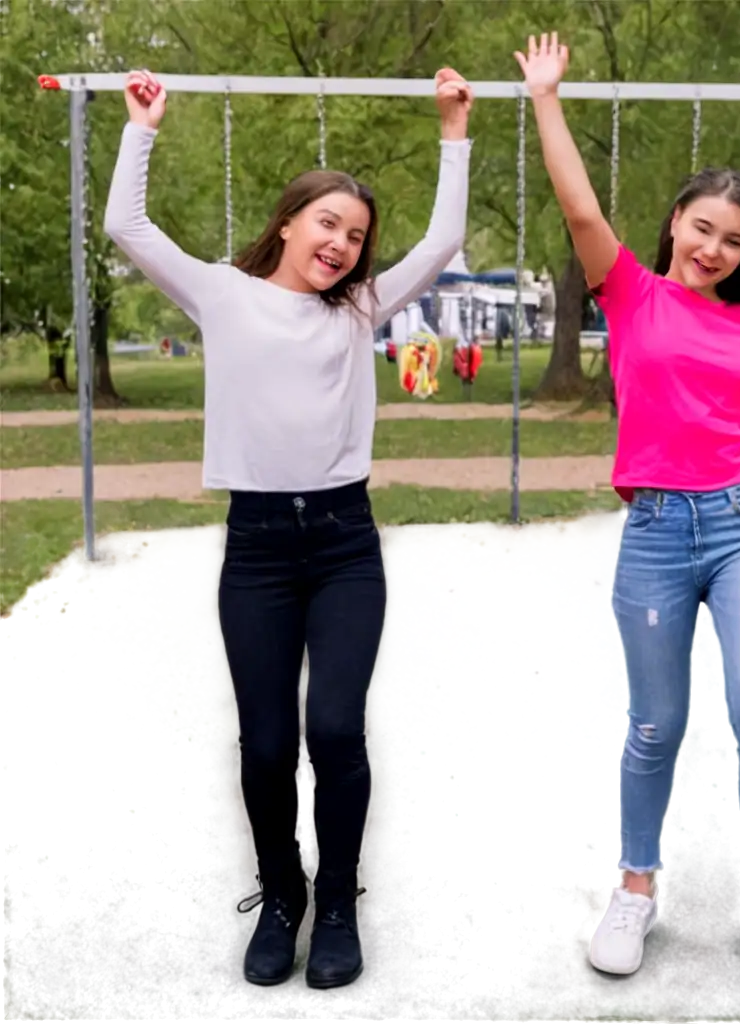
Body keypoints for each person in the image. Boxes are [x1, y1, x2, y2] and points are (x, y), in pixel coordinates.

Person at [514, 34, 740, 983]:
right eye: (704, 229)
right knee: (656, 726)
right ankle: (637, 886)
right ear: (676, 221)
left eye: (736, 241)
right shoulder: (629, 292)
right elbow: (578, 203)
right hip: (655, 534)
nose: (717, 249)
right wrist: (546, 98)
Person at [104, 67, 474, 989]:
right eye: (329, 225)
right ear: (288, 222)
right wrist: (142, 129)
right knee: (267, 743)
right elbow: (126, 227)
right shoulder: (223, 295)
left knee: (336, 732)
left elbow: (446, 238)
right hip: (260, 551)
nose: (344, 245)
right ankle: (281, 897)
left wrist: (453, 129)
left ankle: (338, 900)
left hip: (346, 545)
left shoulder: (357, 309)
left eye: (356, 236)